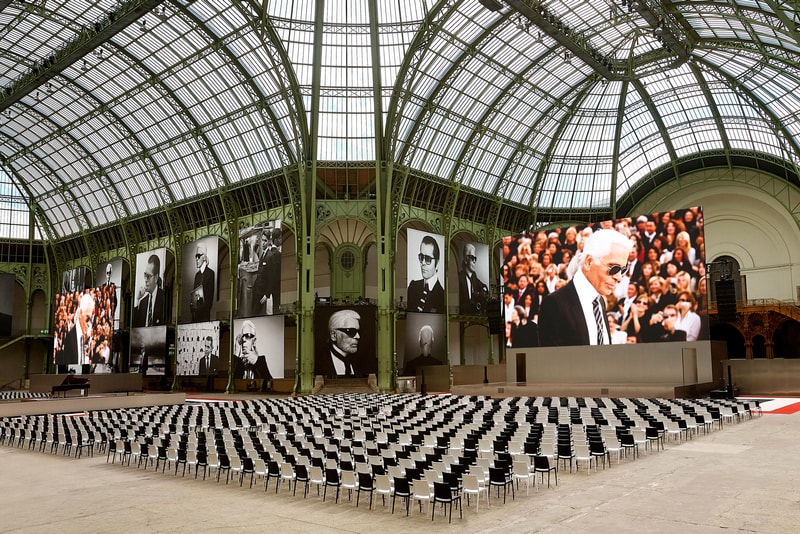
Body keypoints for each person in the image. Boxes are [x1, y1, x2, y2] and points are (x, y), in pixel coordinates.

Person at [538, 229, 633, 346]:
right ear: (589, 262)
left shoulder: (599, 302)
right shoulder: (554, 303)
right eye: (614, 268)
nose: (619, 278)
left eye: (623, 270)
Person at [315, 309, 367, 376]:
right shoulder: (318, 362)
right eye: (351, 331)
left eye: (359, 332)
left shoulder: (362, 362)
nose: (358, 336)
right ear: (333, 335)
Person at [407, 235, 445, 313]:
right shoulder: (413, 287)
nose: (423, 263)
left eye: (428, 259)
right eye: (421, 257)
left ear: (437, 263)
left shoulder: (442, 295)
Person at [56, 292, 95, 366]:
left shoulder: (83, 337)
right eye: (87, 319)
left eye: (90, 320)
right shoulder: (69, 337)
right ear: (80, 313)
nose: (89, 324)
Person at [251, 226, 282, 316]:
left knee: (256, 315)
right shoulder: (263, 255)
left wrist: (267, 294)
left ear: (269, 241)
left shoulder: (270, 256)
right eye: (262, 240)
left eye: (265, 241)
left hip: (262, 293)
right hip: (257, 291)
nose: (263, 243)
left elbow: (272, 277)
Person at [233, 320, 273, 385]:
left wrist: (256, 361)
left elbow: (270, 383)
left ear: (254, 341)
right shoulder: (239, 363)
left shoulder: (261, 361)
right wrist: (236, 352)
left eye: (247, 336)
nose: (243, 340)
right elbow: (232, 382)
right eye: (242, 336)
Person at [133, 254, 165, 327]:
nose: (146, 280)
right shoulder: (142, 303)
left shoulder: (164, 297)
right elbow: (135, 327)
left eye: (149, 276)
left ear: (156, 278)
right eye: (145, 275)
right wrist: (137, 300)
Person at [458, 243, 489, 314]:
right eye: (472, 258)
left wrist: (482, 291)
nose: (474, 261)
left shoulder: (473, 276)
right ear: (466, 259)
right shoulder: (460, 277)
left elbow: (484, 286)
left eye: (475, 258)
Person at [190, 244, 215, 322]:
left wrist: (200, 308)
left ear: (204, 257)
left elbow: (209, 299)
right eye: (196, 257)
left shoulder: (210, 273)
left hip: (204, 315)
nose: (196, 259)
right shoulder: (197, 275)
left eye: (198, 256)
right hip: (195, 315)